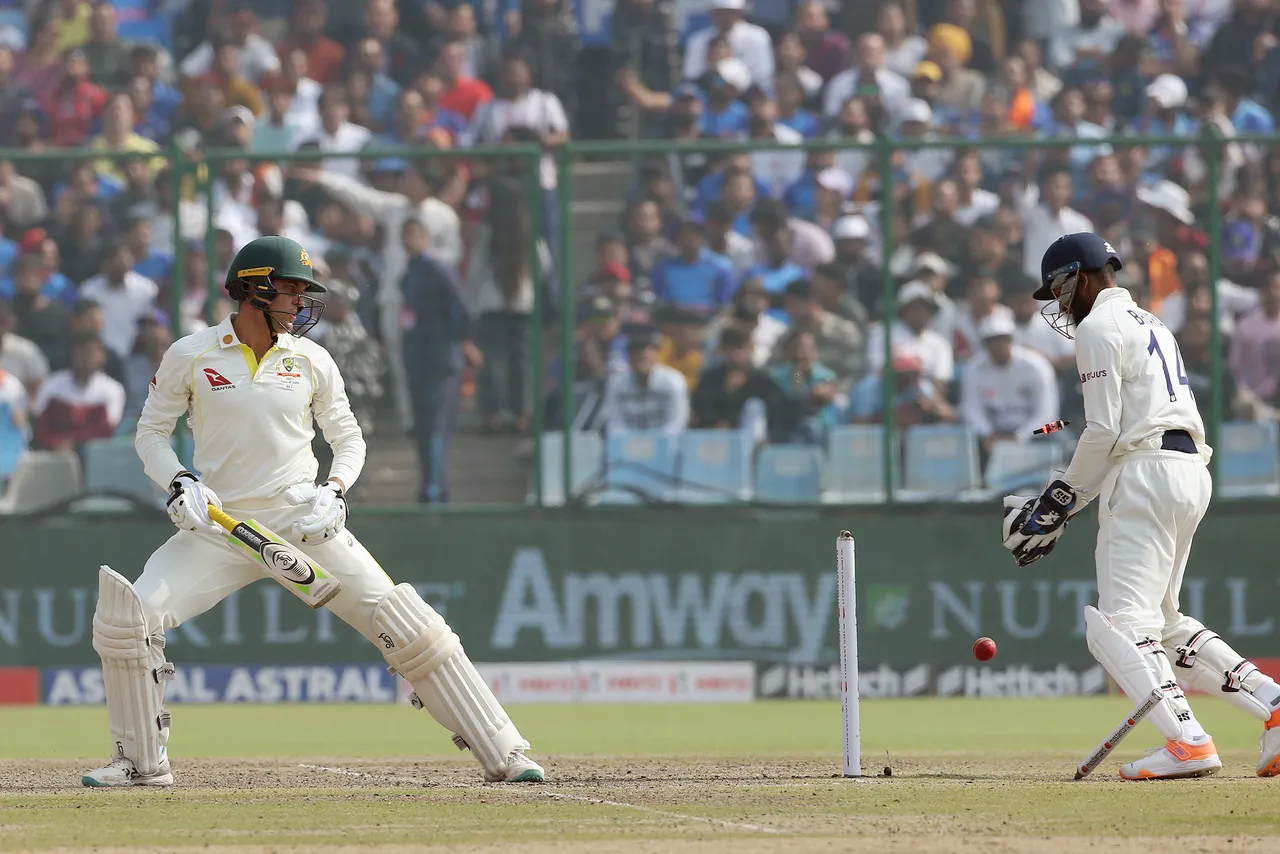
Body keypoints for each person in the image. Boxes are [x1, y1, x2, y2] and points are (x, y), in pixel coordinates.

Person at [81, 235, 544, 788]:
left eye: (304, 292)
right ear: (254, 289)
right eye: (292, 290)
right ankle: (141, 764)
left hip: (301, 519)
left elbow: (348, 438)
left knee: (406, 624)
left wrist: (335, 490)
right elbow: (151, 435)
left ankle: (505, 751)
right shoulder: (192, 353)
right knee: (127, 619)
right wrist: (180, 481)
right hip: (218, 527)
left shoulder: (312, 359)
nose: (301, 303)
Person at [1002, 233, 1280, 781]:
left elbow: (1103, 431)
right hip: (1188, 472)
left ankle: (1188, 740)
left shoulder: (1098, 328)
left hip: (1146, 474)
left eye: (1058, 289)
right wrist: (1068, 500)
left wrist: (1058, 501)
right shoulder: (1153, 322)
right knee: (1166, 624)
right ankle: (1274, 702)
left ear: (1081, 277)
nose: (1058, 305)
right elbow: (1118, 430)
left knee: (1119, 624)